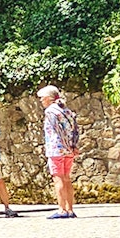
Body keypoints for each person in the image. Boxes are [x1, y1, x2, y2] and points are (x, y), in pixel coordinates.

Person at [38, 85, 79, 219]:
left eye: (42, 98)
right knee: (67, 178)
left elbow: (58, 130)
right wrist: (73, 145)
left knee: (58, 178)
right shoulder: (66, 110)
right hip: (69, 150)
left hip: (56, 149)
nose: (41, 101)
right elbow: (75, 129)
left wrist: (66, 145)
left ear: (49, 98)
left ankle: (62, 209)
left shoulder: (51, 111)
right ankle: (70, 209)